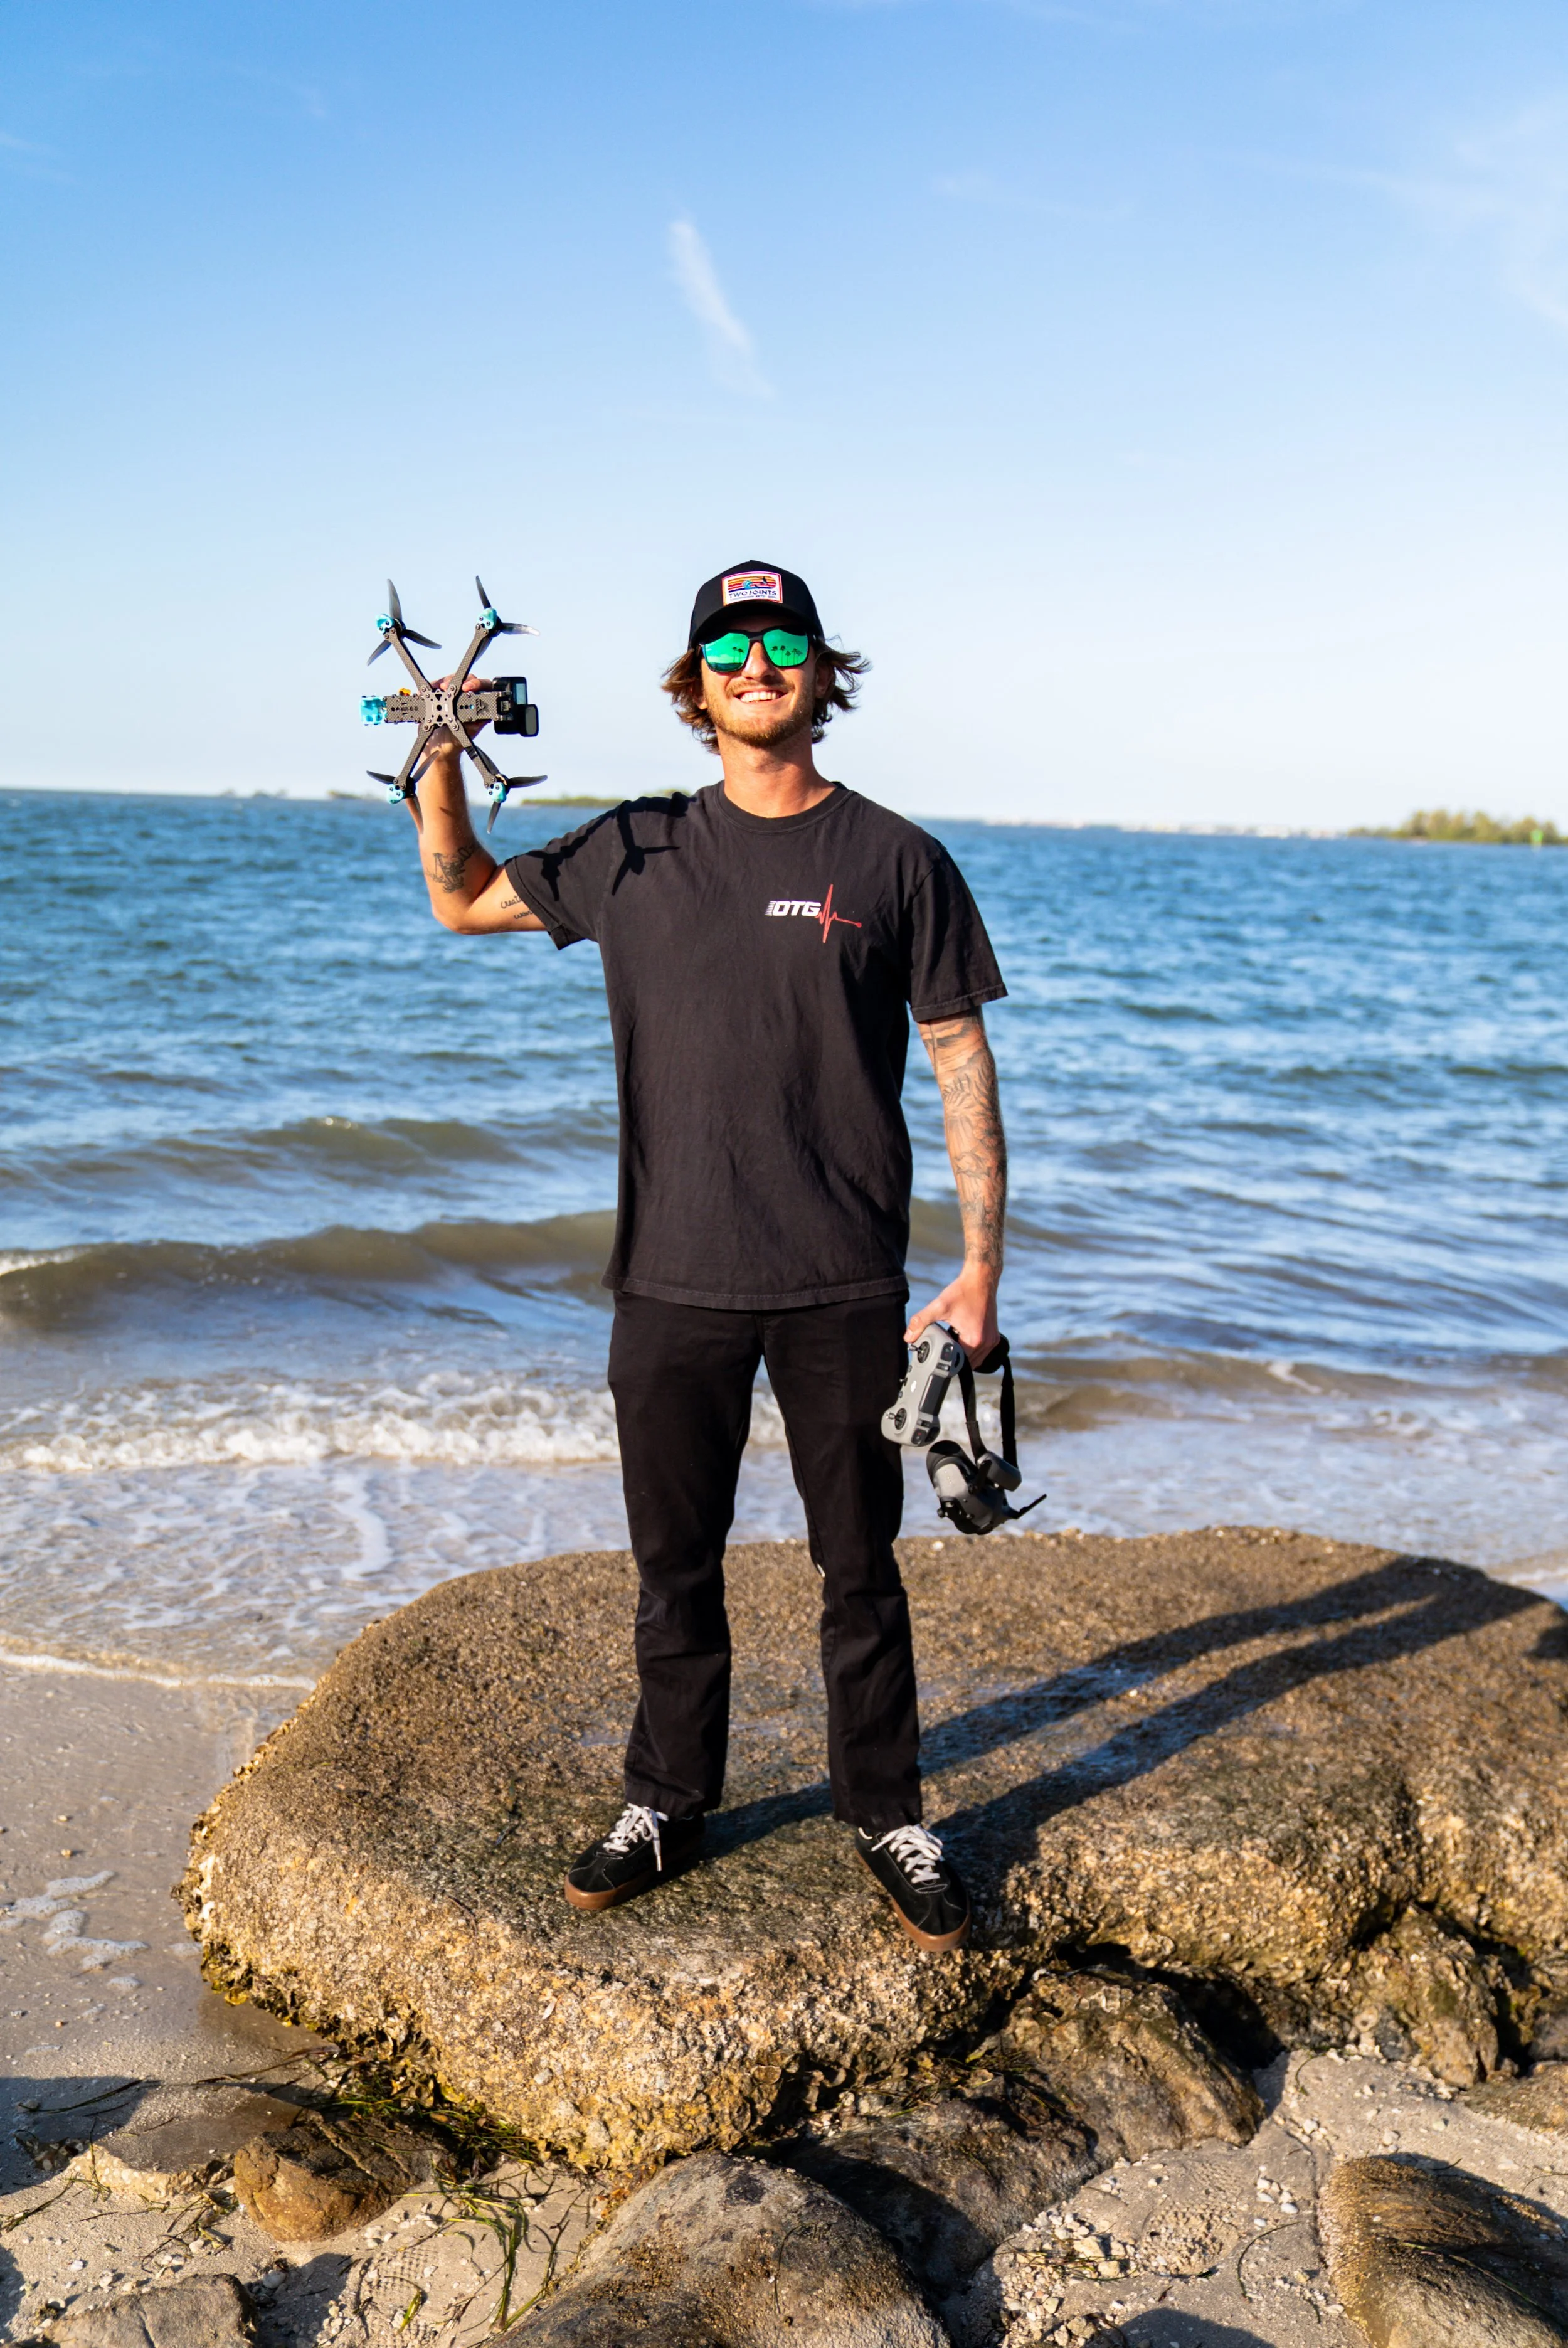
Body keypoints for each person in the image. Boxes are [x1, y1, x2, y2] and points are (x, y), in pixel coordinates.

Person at [408, 561, 1007, 1953]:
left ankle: (884, 1806)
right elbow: (462, 900)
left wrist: (979, 1269)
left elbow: (959, 1056)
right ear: (694, 684)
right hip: (668, 1274)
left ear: (818, 670)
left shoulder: (895, 859)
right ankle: (668, 1797)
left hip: (842, 1278)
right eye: (726, 644)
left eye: (780, 637)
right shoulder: (633, 848)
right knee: (670, 1561)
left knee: (859, 1564)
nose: (755, 659)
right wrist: (440, 753)